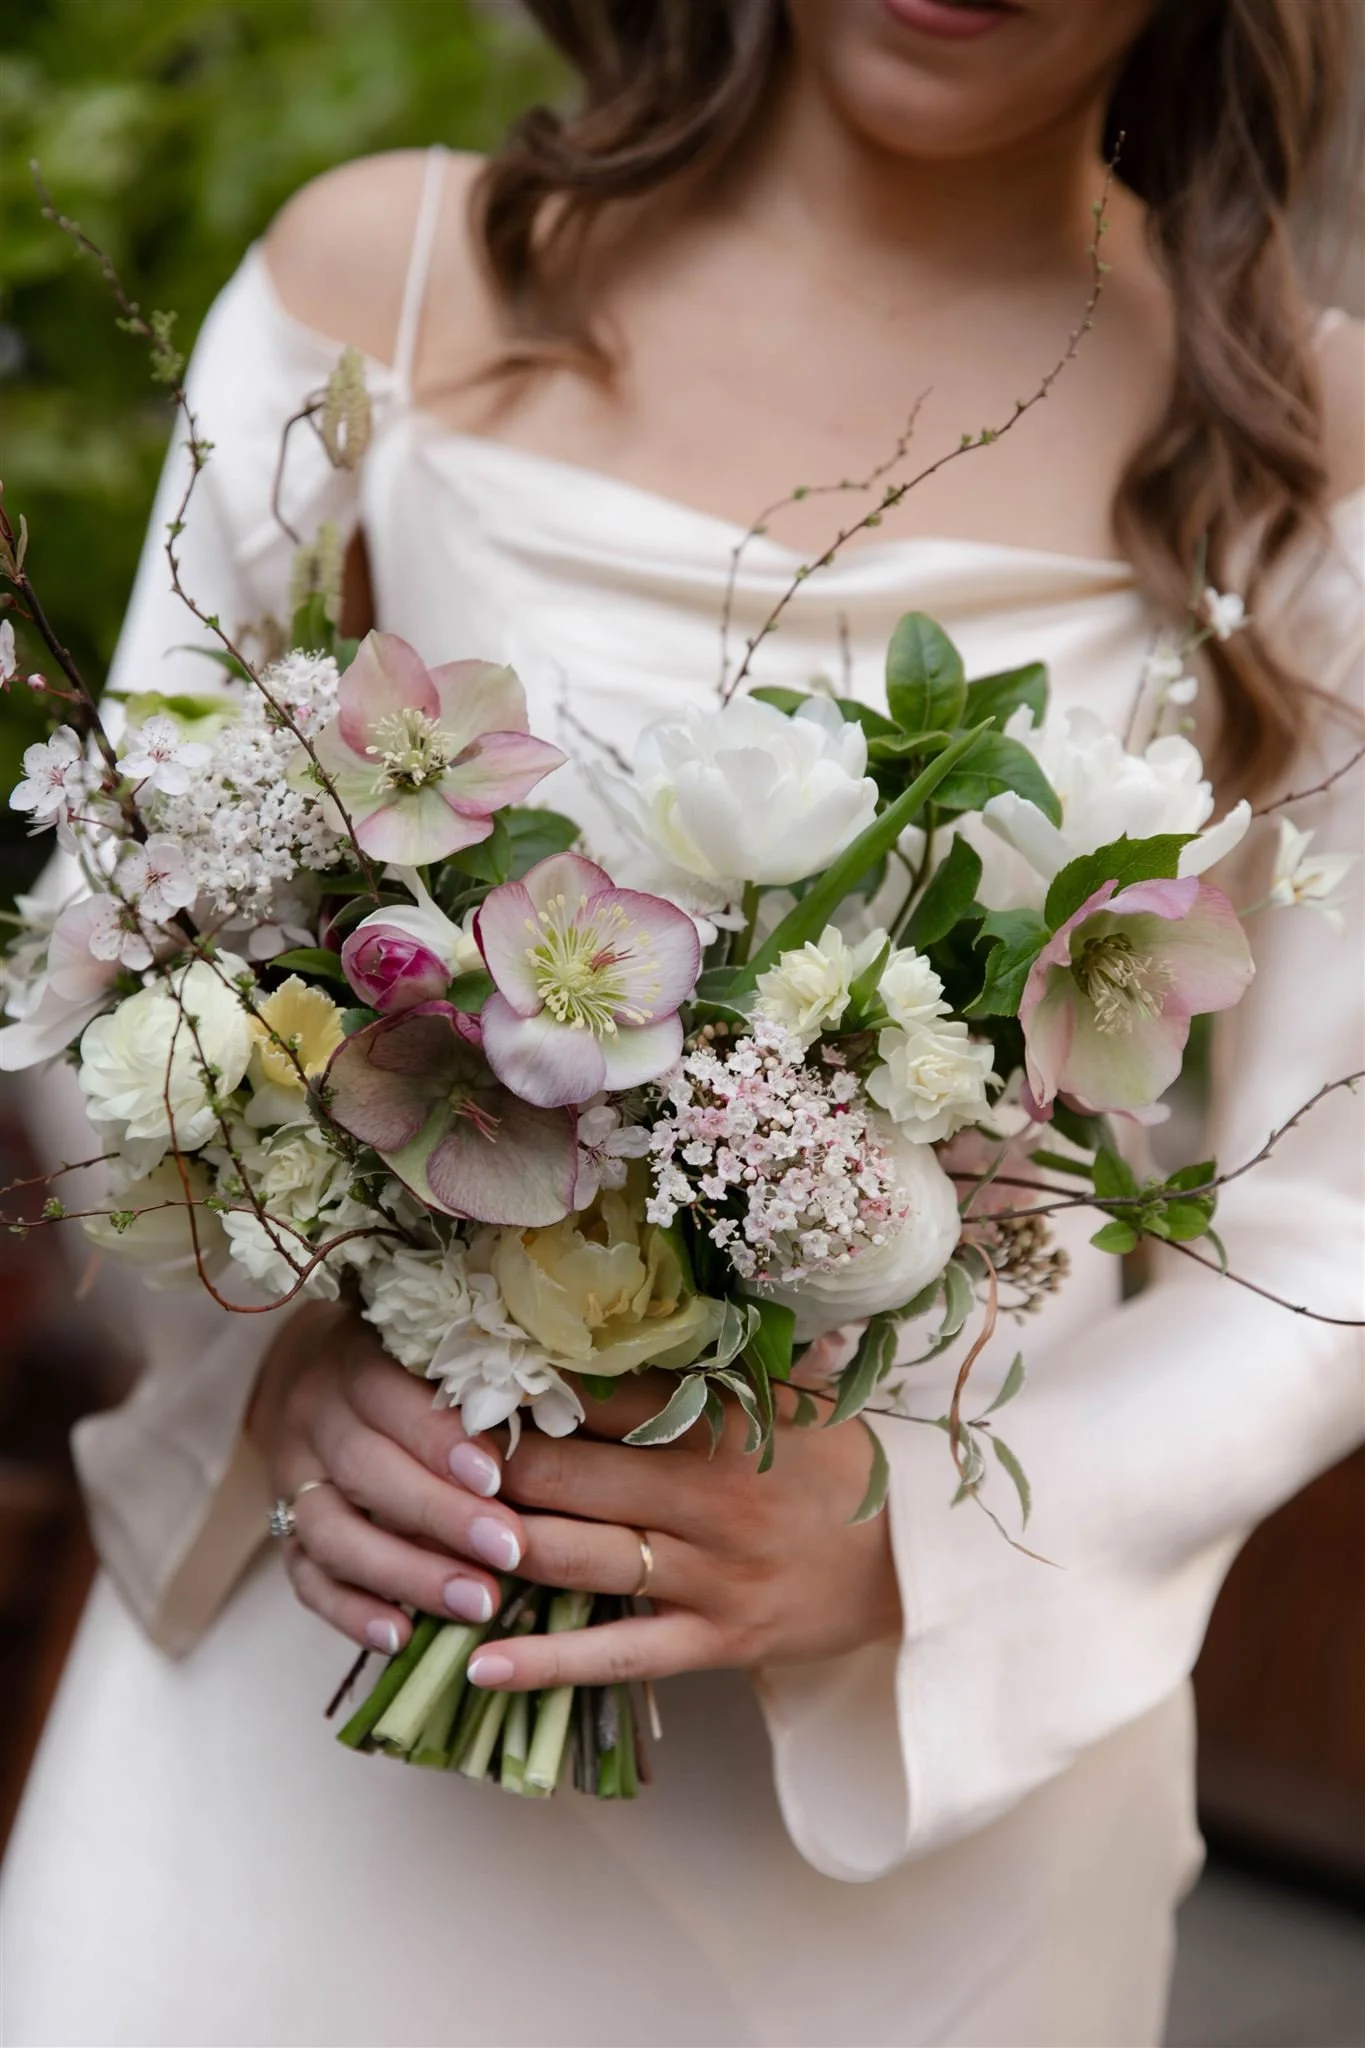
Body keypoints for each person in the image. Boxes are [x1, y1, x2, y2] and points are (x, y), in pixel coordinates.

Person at [2, 2, 1362, 2042]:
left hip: (899, 1871)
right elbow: (105, 963)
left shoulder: (1303, 447)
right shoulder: (384, 278)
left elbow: (1331, 1225)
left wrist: (917, 1550)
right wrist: (276, 1380)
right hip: (317, 1707)